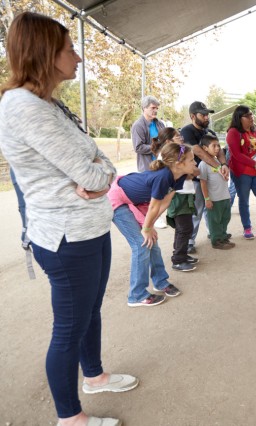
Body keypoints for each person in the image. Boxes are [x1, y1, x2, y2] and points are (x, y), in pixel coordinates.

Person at [0, 12, 138, 426]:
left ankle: (93, 376)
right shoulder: (25, 106)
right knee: (69, 329)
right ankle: (70, 418)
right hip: (65, 238)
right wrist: (97, 170)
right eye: (69, 49)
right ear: (46, 54)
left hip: (89, 227)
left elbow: (99, 159)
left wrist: (98, 169)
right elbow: (93, 171)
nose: (77, 58)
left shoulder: (47, 102)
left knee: (90, 311)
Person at [109, 143, 197, 307]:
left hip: (136, 203)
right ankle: (136, 295)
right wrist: (147, 228)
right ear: (178, 164)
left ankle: (160, 282)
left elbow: (165, 203)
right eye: (192, 160)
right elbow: (154, 206)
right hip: (118, 199)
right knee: (141, 245)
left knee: (152, 241)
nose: (195, 163)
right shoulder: (163, 176)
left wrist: (149, 227)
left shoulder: (179, 176)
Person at [180, 101, 229, 253]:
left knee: (212, 208)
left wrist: (224, 164)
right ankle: (189, 241)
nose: (207, 117)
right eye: (203, 114)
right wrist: (218, 167)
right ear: (192, 116)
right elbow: (199, 152)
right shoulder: (187, 131)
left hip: (212, 179)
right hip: (196, 179)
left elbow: (219, 150)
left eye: (207, 114)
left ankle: (213, 233)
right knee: (197, 210)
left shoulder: (210, 132)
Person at [227, 105, 256, 240]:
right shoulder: (233, 132)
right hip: (242, 173)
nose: (251, 117)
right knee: (244, 200)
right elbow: (236, 154)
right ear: (239, 118)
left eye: (251, 114)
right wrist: (254, 163)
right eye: (247, 116)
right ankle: (247, 228)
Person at [157, 128, 199, 272]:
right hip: (177, 196)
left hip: (185, 194)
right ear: (168, 141)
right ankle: (178, 260)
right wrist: (190, 172)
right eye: (177, 136)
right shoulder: (165, 156)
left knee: (185, 228)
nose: (181, 138)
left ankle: (182, 254)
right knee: (184, 228)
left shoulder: (181, 153)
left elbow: (192, 173)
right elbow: (185, 174)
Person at [198, 134, 235, 249]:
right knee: (215, 221)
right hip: (214, 199)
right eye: (214, 146)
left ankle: (223, 237)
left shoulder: (219, 162)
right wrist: (207, 199)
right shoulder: (203, 164)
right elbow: (203, 183)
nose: (217, 148)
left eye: (218, 145)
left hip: (224, 197)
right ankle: (216, 241)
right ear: (205, 148)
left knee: (225, 218)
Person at [131, 95, 165, 172]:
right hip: (147, 169)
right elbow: (138, 147)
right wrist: (157, 147)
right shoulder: (138, 125)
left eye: (157, 108)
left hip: (162, 166)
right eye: (153, 108)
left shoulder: (160, 124)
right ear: (144, 108)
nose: (155, 110)